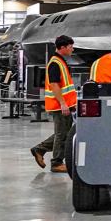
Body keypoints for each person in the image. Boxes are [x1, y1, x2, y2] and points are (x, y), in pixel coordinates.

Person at [30, 35, 77, 173]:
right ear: (62, 47)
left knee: (64, 133)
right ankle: (56, 163)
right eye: (70, 47)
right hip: (59, 105)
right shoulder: (55, 63)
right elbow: (54, 85)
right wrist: (63, 103)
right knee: (62, 135)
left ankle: (39, 149)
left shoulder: (60, 61)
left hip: (65, 105)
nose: (72, 49)